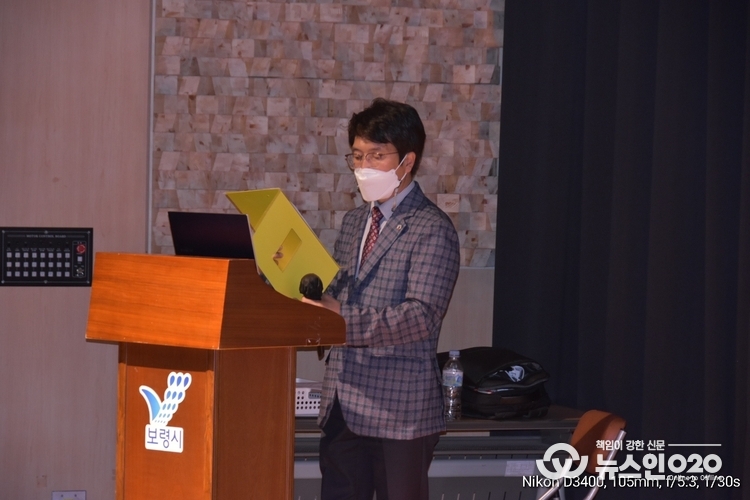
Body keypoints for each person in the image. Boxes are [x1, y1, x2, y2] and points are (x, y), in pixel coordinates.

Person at [301, 98, 461, 500]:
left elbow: (421, 316)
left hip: (398, 412)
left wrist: (342, 317)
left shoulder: (432, 228)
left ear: (407, 161)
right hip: (342, 405)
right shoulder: (354, 221)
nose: (364, 167)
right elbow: (340, 293)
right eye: (357, 156)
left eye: (377, 155)